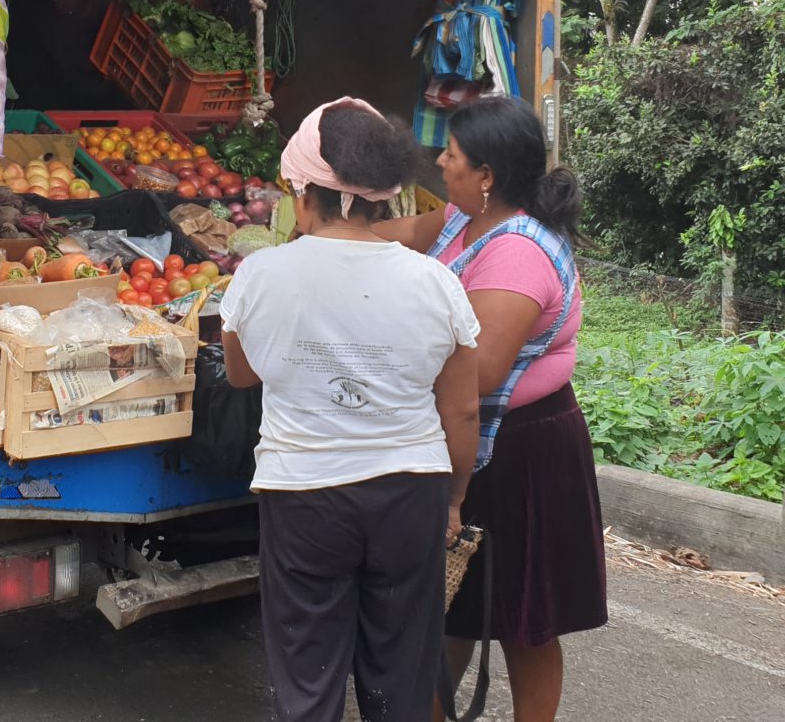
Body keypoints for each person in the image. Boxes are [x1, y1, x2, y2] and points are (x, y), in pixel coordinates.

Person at [219, 98, 481, 722]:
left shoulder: (260, 275)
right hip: (409, 491)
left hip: (304, 495)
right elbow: (463, 410)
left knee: (307, 671)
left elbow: (239, 372)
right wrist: (453, 499)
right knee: (400, 673)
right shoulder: (434, 280)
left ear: (307, 194)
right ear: (384, 198)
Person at [377, 96, 607, 722]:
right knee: (454, 606)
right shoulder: (462, 218)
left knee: (525, 620)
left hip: (522, 453)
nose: (440, 161)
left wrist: (381, 351)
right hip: (472, 439)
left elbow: (478, 373)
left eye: (452, 154)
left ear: (486, 175)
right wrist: (332, 244)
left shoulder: (518, 251)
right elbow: (397, 238)